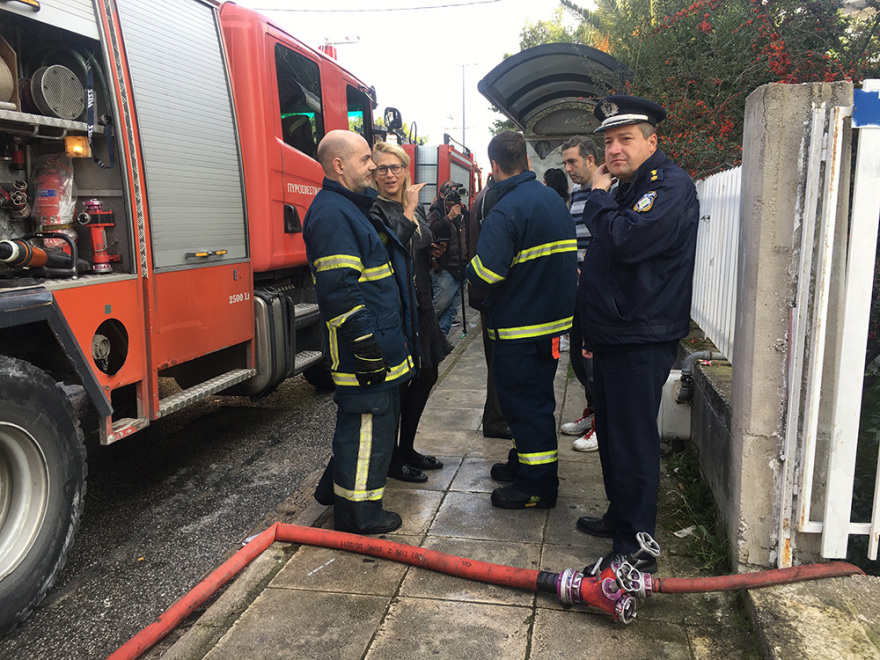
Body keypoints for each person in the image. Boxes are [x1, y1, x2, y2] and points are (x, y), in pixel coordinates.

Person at [575, 96, 699, 574]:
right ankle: (620, 517)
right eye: (608, 141)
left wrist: (597, 197)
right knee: (611, 435)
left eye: (625, 139)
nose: (614, 150)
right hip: (616, 332)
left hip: (640, 334)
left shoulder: (667, 185)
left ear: (652, 141)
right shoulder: (629, 187)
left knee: (632, 442)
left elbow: (626, 240)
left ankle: (635, 547)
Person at [303, 130, 417, 535]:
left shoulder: (349, 207)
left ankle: (333, 494)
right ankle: (359, 516)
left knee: (370, 426)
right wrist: (366, 346)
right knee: (367, 430)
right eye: (366, 159)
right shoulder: (333, 214)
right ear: (339, 165)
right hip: (364, 351)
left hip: (380, 344)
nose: (373, 167)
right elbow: (340, 290)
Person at [467, 131, 577, 509]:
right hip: (549, 326)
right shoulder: (553, 200)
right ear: (527, 161)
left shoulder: (505, 210)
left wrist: (469, 268)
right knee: (534, 400)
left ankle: (536, 485)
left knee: (525, 406)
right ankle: (524, 461)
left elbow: (486, 274)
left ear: (494, 165)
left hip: (519, 328)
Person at [370, 141, 451, 483]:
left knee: (427, 375)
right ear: (374, 173)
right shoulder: (374, 210)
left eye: (396, 167)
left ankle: (407, 448)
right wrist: (409, 210)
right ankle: (391, 458)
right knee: (400, 384)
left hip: (421, 302)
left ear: (406, 170)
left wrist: (433, 252)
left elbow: (416, 246)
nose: (390, 174)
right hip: (398, 307)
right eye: (383, 168)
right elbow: (388, 251)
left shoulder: (411, 208)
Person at [559, 135, 603, 453]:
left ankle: (604, 423)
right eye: (564, 163)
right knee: (577, 355)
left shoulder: (609, 188)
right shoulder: (576, 192)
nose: (567, 168)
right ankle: (591, 412)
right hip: (576, 289)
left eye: (572, 161)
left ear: (590, 160)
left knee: (593, 359)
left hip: (597, 290)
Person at [466, 175, 512, 440]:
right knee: (499, 361)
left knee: (498, 360)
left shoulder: (485, 197)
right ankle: (496, 419)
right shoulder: (491, 199)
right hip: (492, 296)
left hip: (486, 294)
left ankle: (498, 416)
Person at [428, 181, 468, 336]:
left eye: (456, 189)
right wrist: (449, 217)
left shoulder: (464, 213)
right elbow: (431, 232)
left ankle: (441, 340)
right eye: (449, 189)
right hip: (446, 269)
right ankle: (424, 338)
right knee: (438, 307)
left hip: (462, 268)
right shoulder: (437, 212)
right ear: (442, 195)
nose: (454, 192)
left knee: (451, 310)